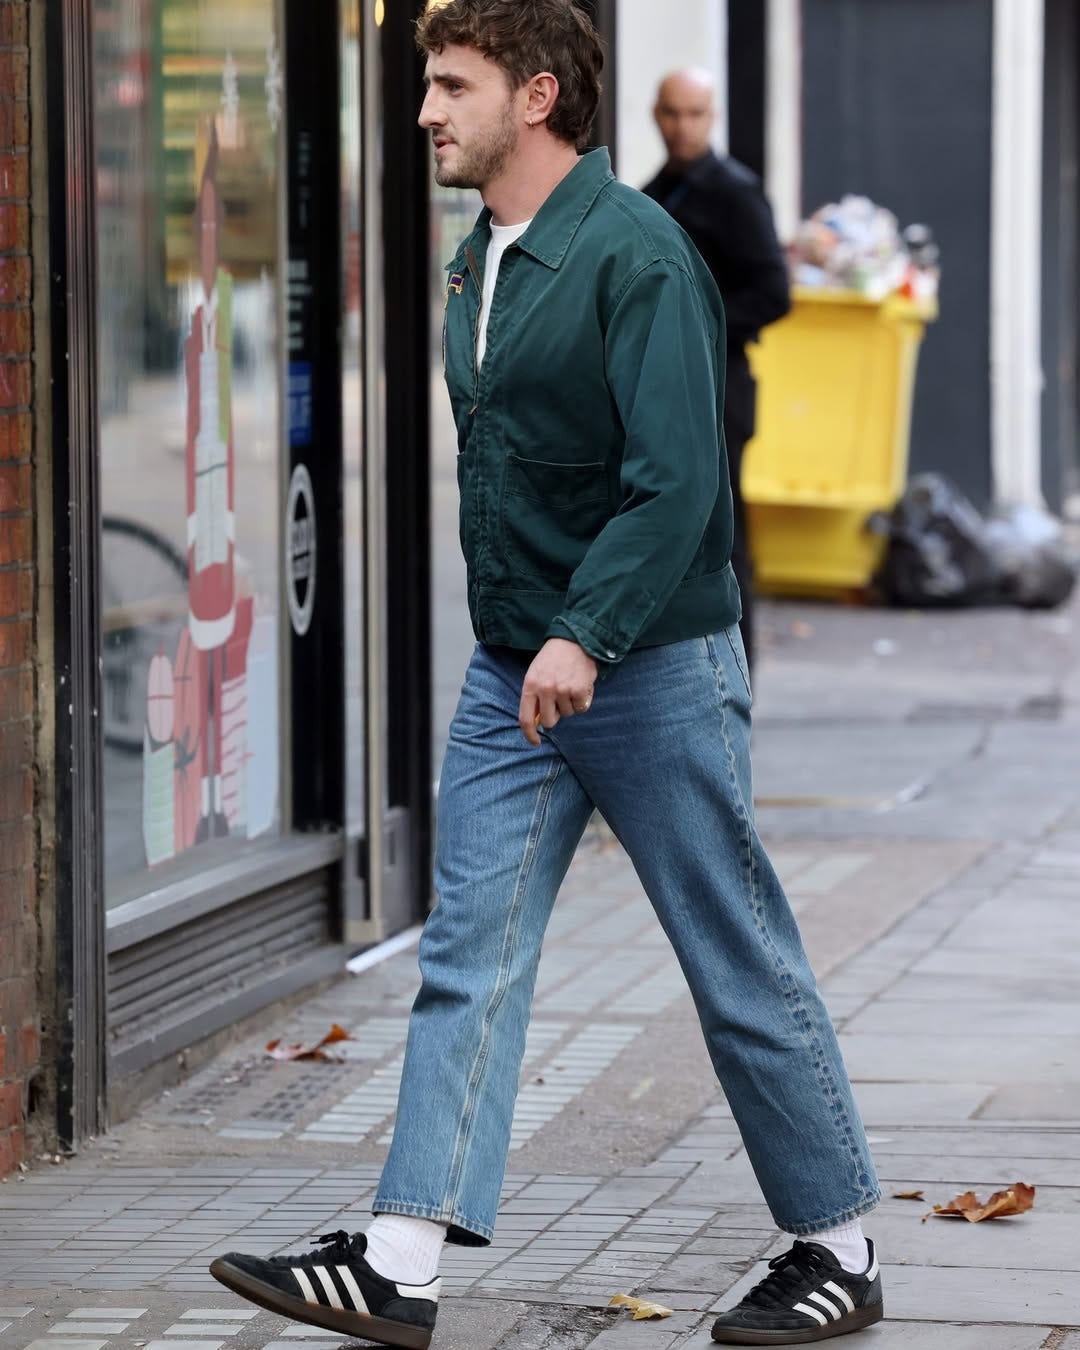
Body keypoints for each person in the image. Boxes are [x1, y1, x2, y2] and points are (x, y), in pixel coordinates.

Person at [209, 3, 882, 1346]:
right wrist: (535, 637)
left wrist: (586, 633)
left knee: (734, 955)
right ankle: (401, 1257)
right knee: (468, 954)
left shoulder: (638, 255)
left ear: (534, 96)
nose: (425, 112)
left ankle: (840, 1244)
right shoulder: (482, 260)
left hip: (650, 666)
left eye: (450, 86)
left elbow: (678, 482)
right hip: (515, 673)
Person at [643, 69, 791, 674]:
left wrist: (700, 318)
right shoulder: (653, 192)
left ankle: (736, 674)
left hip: (720, 388)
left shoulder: (735, 193)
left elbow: (774, 293)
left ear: (713, 117)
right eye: (673, 113)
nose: (683, 127)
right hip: (663, 388)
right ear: (656, 116)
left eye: (695, 114)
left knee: (724, 540)